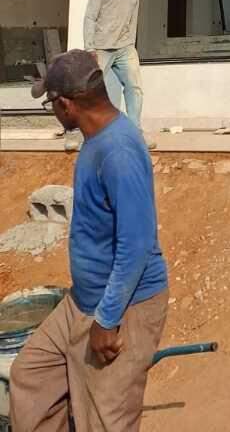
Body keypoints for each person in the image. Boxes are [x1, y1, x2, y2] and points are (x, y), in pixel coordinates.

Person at [11, 49, 169, 432]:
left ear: (66, 104)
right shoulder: (96, 138)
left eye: (50, 102)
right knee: (30, 377)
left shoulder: (119, 151)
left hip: (121, 307)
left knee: (104, 418)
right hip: (81, 301)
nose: (52, 110)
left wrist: (107, 319)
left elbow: (136, 245)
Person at [83, 0, 153, 147]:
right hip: (101, 48)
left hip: (125, 47)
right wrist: (90, 48)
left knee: (135, 87)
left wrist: (130, 42)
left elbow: (133, 19)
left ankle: (134, 132)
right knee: (91, 90)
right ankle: (85, 133)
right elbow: (90, 17)